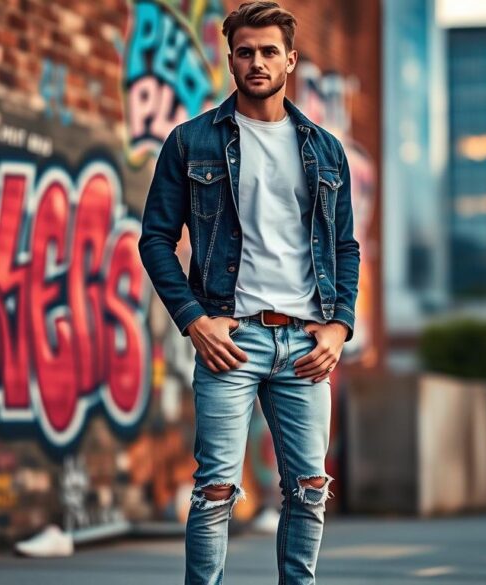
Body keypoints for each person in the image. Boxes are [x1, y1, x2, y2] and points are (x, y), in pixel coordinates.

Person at [137, 2, 360, 583]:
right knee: (216, 491)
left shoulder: (325, 150)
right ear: (229, 58)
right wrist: (193, 320)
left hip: (307, 344)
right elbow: (156, 240)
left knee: (309, 490)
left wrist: (340, 326)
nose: (257, 62)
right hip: (230, 340)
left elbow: (345, 248)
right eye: (245, 52)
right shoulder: (191, 143)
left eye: (268, 51)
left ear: (289, 58)